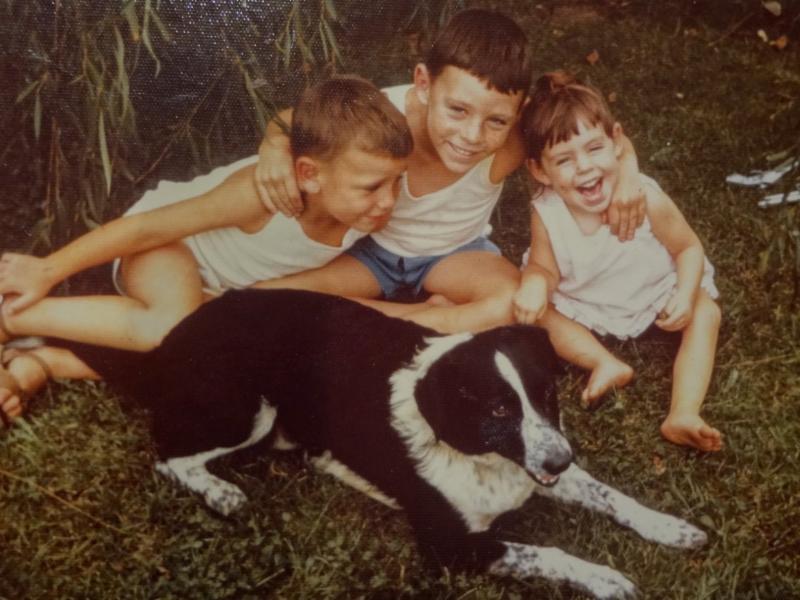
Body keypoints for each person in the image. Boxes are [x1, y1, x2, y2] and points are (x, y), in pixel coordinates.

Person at [0, 75, 412, 425]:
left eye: (397, 182)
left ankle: (48, 363)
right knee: (171, 326)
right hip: (168, 250)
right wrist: (47, 270)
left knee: (233, 366)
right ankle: (13, 318)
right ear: (308, 175)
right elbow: (148, 229)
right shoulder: (262, 196)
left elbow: (306, 122)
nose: (389, 201)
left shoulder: (359, 206)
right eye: (373, 187)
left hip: (213, 293)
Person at [252, 9, 647, 334]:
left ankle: (380, 319)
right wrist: (273, 144)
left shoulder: (515, 136)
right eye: (457, 110)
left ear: (518, 109)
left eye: (496, 121)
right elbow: (293, 121)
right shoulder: (382, 118)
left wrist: (627, 169)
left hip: (456, 255)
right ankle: (427, 321)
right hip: (371, 253)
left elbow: (590, 135)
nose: (472, 136)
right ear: (424, 83)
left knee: (513, 302)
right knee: (275, 295)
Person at [513, 72, 723, 452]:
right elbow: (545, 268)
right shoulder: (547, 212)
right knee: (536, 312)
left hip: (654, 290)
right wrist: (534, 283)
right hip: (587, 301)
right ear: (539, 171)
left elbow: (688, 249)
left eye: (594, 149)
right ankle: (604, 363)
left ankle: (683, 412)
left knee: (707, 313)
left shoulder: (645, 198)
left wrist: (687, 293)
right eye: (564, 159)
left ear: (616, 142)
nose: (585, 167)